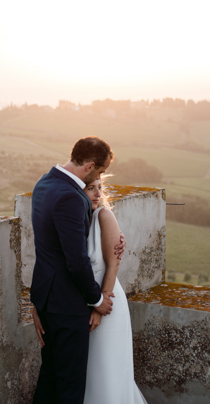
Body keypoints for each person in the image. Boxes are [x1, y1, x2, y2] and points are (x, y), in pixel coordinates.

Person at [31, 136, 123, 404]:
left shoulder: (44, 183)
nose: (100, 178)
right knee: (70, 386)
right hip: (68, 304)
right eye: (101, 171)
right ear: (90, 165)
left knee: (49, 376)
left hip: (47, 299)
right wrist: (97, 299)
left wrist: (37, 302)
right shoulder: (71, 197)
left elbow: (46, 249)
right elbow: (76, 260)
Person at [81, 173, 148, 404]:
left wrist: (101, 306)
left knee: (107, 372)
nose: (98, 193)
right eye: (91, 188)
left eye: (100, 187)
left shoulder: (103, 215)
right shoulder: (77, 219)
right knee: (93, 373)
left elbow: (113, 263)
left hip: (107, 302)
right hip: (89, 302)